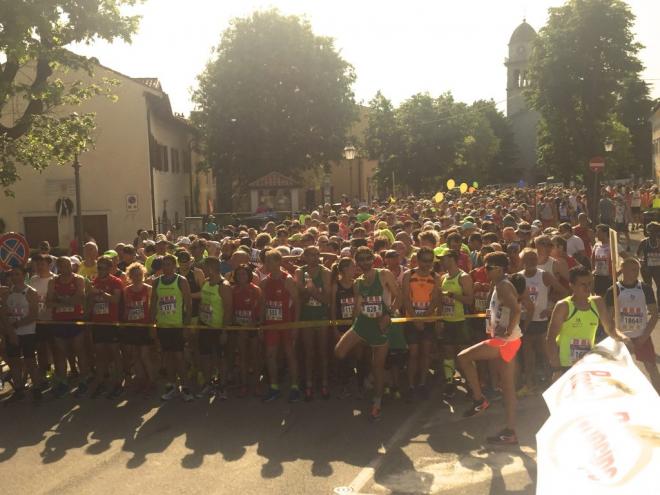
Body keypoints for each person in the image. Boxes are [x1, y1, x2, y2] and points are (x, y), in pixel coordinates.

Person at [457, 251, 522, 445]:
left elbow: (516, 309)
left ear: (500, 268)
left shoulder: (503, 285)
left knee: (463, 357)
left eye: (488, 267)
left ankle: (479, 399)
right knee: (508, 389)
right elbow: (497, 311)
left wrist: (506, 331)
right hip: (511, 340)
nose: (484, 270)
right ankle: (510, 432)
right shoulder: (498, 284)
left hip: (505, 341)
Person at [334, 246, 400, 421]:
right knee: (339, 351)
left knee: (377, 367)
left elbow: (399, 296)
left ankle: (377, 403)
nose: (364, 262)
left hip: (380, 326)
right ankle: (381, 381)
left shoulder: (384, 274)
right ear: (356, 262)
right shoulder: (358, 283)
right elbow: (358, 307)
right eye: (361, 259)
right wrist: (351, 327)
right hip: (363, 324)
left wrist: (389, 314)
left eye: (367, 258)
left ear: (373, 258)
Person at [546, 265, 627, 379]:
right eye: (582, 284)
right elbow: (550, 339)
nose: (587, 287)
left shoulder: (597, 302)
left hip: (587, 363)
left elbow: (610, 329)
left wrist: (622, 338)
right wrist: (556, 368)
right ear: (572, 285)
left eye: (590, 283)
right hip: (566, 365)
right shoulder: (563, 306)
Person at [605, 258, 660, 393]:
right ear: (623, 270)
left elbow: (654, 314)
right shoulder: (614, 290)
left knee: (651, 367)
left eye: (637, 269)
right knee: (618, 370)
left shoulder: (645, 289)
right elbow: (608, 318)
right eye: (633, 269)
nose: (636, 272)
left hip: (642, 335)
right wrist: (619, 336)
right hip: (622, 337)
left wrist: (644, 336)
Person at [517, 249, 566, 396]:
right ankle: (530, 385)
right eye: (527, 259)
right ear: (522, 261)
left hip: (541, 321)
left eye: (533, 258)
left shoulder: (543, 275)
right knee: (528, 356)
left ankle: (554, 383)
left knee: (546, 354)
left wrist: (551, 309)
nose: (531, 261)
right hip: (524, 321)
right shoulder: (518, 277)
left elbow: (564, 292)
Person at [261, 249, 302, 403]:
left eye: (270, 261)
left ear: (278, 262)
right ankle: (274, 387)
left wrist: (296, 326)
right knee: (270, 355)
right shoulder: (265, 281)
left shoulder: (288, 279)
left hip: (287, 324)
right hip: (271, 325)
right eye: (266, 261)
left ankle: (295, 387)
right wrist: (260, 323)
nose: (267, 264)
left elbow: (297, 303)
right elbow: (263, 304)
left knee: (290, 355)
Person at [151, 254, 194, 401]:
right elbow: (153, 304)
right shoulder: (156, 282)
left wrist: (186, 325)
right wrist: (152, 325)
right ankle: (172, 386)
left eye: (169, 264)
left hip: (177, 325)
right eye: (164, 264)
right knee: (167, 357)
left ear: (175, 266)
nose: (166, 267)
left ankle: (185, 387)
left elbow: (189, 304)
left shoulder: (181, 281)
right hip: (163, 325)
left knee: (179, 357)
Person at [46, 257, 89, 397]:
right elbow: (49, 302)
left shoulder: (78, 279)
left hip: (75, 320)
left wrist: (59, 300)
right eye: (62, 266)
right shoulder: (53, 281)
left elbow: (80, 299)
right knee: (60, 353)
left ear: (71, 266)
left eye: (67, 265)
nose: (66, 268)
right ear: (58, 267)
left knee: (79, 350)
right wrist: (68, 301)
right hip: (59, 321)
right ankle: (63, 382)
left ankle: (84, 380)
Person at [401, 247, 439, 401]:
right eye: (424, 261)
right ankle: (410, 385)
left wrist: (425, 316)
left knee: (426, 353)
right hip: (412, 320)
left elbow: (435, 299)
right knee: (413, 354)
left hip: (428, 321)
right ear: (417, 260)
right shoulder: (408, 275)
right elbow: (405, 299)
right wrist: (416, 319)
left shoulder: (435, 276)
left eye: (430, 261)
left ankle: (422, 384)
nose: (427, 264)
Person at [295, 246, 331, 400]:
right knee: (308, 352)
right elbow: (300, 300)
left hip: (321, 316)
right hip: (306, 316)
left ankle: (324, 383)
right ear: (304, 256)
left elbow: (327, 300)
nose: (315, 258)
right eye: (311, 255)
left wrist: (312, 291)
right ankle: (309, 383)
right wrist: (306, 291)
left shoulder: (325, 272)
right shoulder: (299, 272)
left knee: (322, 352)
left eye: (318, 254)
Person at [1, 265, 41, 401]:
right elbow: (4, 313)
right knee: (14, 362)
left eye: (17, 274)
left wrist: (18, 325)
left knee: (30, 361)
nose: (14, 277)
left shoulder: (31, 292)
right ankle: (18, 389)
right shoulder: (7, 293)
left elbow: (34, 314)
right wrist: (11, 332)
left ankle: (36, 388)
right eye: (12, 274)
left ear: (24, 276)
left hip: (27, 332)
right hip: (12, 332)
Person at [87, 256, 124, 399]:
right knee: (100, 354)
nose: (99, 270)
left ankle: (118, 383)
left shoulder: (116, 281)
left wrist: (102, 293)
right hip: (98, 323)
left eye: (102, 268)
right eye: (98, 267)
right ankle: (101, 382)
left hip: (111, 323)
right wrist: (90, 296)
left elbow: (116, 300)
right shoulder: (94, 281)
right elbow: (91, 304)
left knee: (115, 354)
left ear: (109, 269)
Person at [438, 249, 474, 399]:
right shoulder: (443, 277)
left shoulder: (463, 277)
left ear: (452, 259)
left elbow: (469, 300)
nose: (440, 261)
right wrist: (439, 319)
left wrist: (453, 295)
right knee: (448, 353)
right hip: (447, 321)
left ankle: (472, 384)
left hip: (461, 321)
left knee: (464, 355)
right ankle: (449, 381)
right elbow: (441, 300)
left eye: (443, 258)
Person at [197, 257, 233, 399]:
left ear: (211, 268)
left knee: (220, 358)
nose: (203, 270)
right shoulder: (205, 282)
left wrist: (224, 331)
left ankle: (222, 386)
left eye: (205, 268)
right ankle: (208, 383)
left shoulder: (224, 285)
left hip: (218, 328)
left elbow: (228, 309)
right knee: (205, 357)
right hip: (205, 326)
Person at [122, 262, 155, 395]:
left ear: (143, 274)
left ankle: (152, 381)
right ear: (130, 276)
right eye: (134, 275)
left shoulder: (148, 288)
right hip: (132, 326)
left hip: (144, 325)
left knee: (144, 355)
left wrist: (152, 326)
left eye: (140, 274)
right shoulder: (127, 290)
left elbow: (152, 307)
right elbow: (126, 308)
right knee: (135, 355)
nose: (137, 277)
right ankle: (140, 380)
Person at [330, 257, 359, 398]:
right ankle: (344, 385)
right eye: (353, 267)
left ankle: (357, 383)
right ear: (345, 269)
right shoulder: (336, 285)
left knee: (356, 354)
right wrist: (334, 327)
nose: (355, 269)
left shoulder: (356, 284)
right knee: (342, 355)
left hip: (354, 326)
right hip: (341, 325)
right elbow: (333, 307)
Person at [232, 263, 262, 397]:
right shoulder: (233, 290)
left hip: (253, 328)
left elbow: (261, 309)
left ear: (249, 275)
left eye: (244, 274)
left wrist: (257, 323)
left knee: (255, 357)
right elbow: (230, 308)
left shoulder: (255, 289)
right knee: (242, 357)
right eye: (238, 275)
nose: (241, 276)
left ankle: (256, 384)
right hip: (239, 328)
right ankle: (244, 384)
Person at [591, 224, 612, 296]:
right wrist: (593, 270)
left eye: (598, 232)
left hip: (608, 278)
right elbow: (592, 259)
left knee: (609, 299)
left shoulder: (613, 245)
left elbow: (627, 258)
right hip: (598, 277)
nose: (596, 234)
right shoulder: (596, 245)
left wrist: (618, 272)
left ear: (605, 233)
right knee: (598, 299)